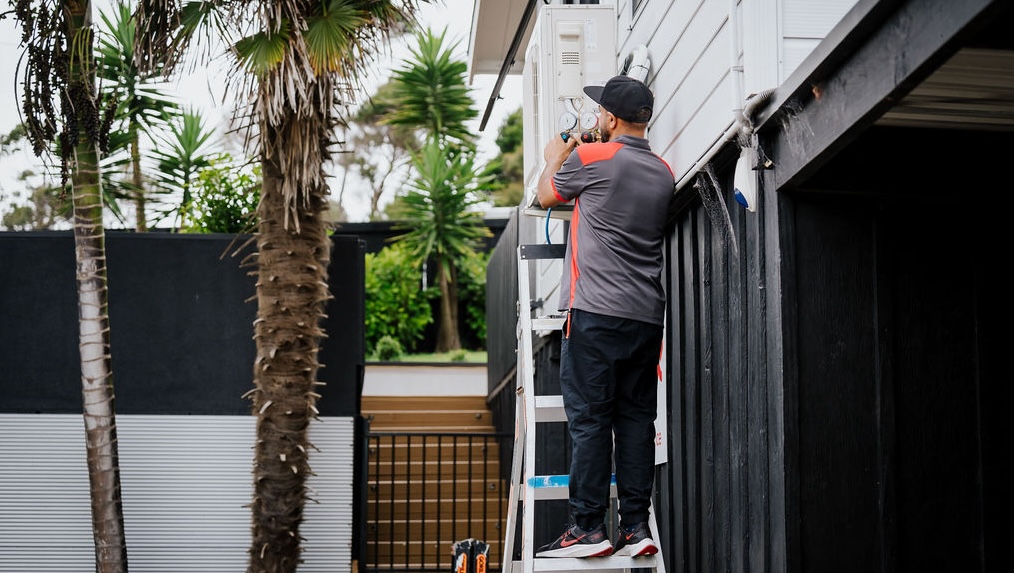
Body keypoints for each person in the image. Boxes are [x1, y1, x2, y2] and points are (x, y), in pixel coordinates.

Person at [532, 75, 674, 559]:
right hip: (646, 319)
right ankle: (636, 528)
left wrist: (559, 150)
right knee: (635, 420)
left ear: (611, 118)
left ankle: (588, 527)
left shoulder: (590, 159)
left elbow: (545, 195)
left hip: (594, 314)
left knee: (590, 421)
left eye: (598, 113)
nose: (594, 119)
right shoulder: (664, 171)